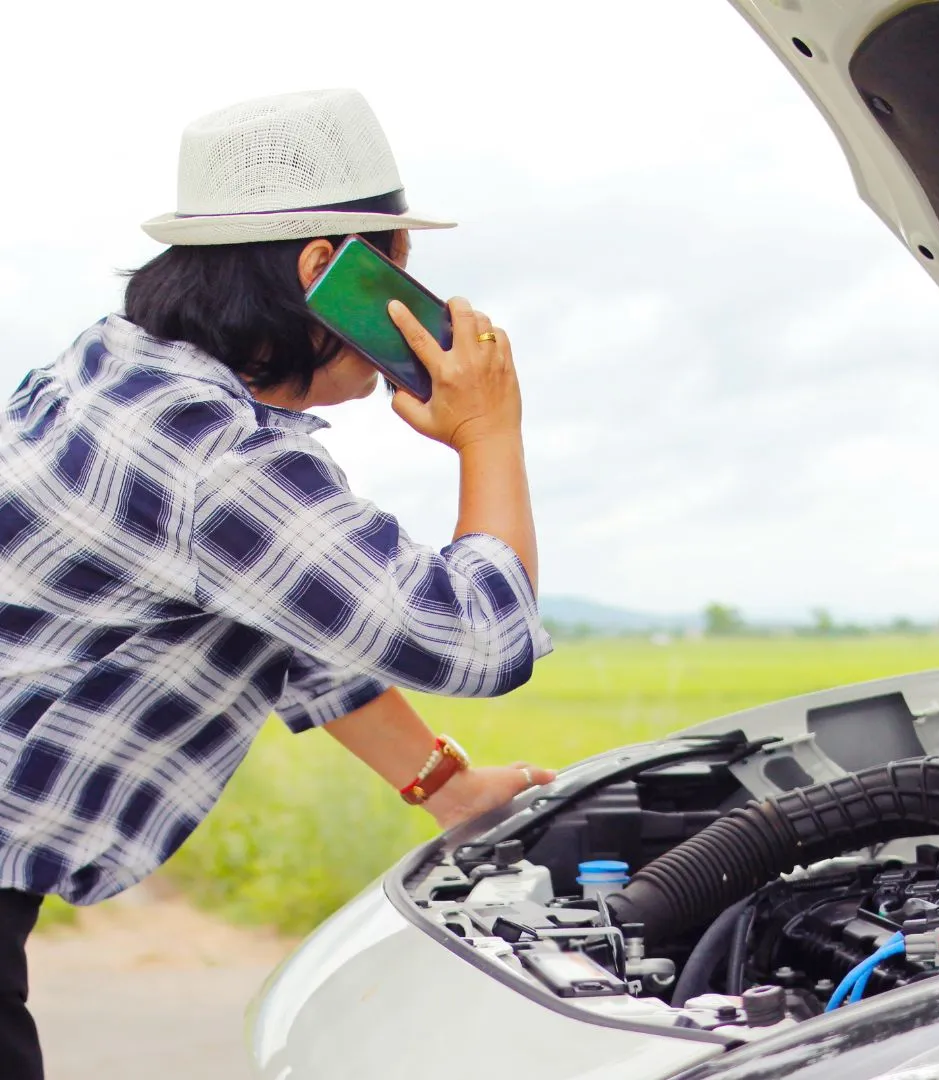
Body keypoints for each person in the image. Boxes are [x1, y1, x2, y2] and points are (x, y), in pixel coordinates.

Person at [0, 87, 554, 1078]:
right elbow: (480, 638)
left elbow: (293, 634)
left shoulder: (112, 369)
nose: (409, 309)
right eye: (397, 273)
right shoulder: (219, 459)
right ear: (321, 270)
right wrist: (489, 429)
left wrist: (446, 787)